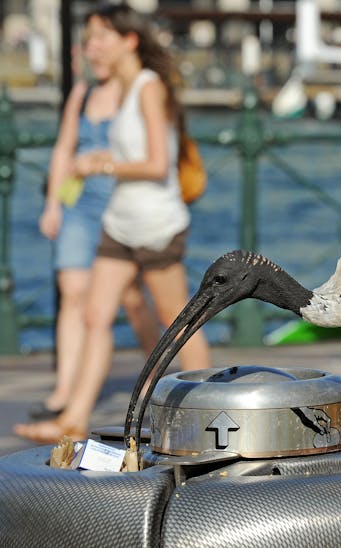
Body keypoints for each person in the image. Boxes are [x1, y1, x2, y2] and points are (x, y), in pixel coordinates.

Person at [15, 4, 211, 443]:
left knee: (175, 318)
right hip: (119, 223)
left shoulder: (147, 87)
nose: (93, 45)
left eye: (102, 36)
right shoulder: (117, 89)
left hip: (156, 224)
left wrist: (102, 165)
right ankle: (72, 421)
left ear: (129, 41)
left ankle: (206, 407)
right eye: (90, 37)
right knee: (94, 314)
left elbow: (158, 164)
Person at [29, 28, 161, 421]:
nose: (93, 52)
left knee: (133, 298)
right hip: (79, 201)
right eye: (89, 45)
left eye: (99, 43)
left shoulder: (135, 90)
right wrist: (52, 205)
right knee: (74, 292)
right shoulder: (83, 94)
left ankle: (158, 375)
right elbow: (63, 149)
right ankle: (66, 392)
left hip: (121, 201)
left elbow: (149, 148)